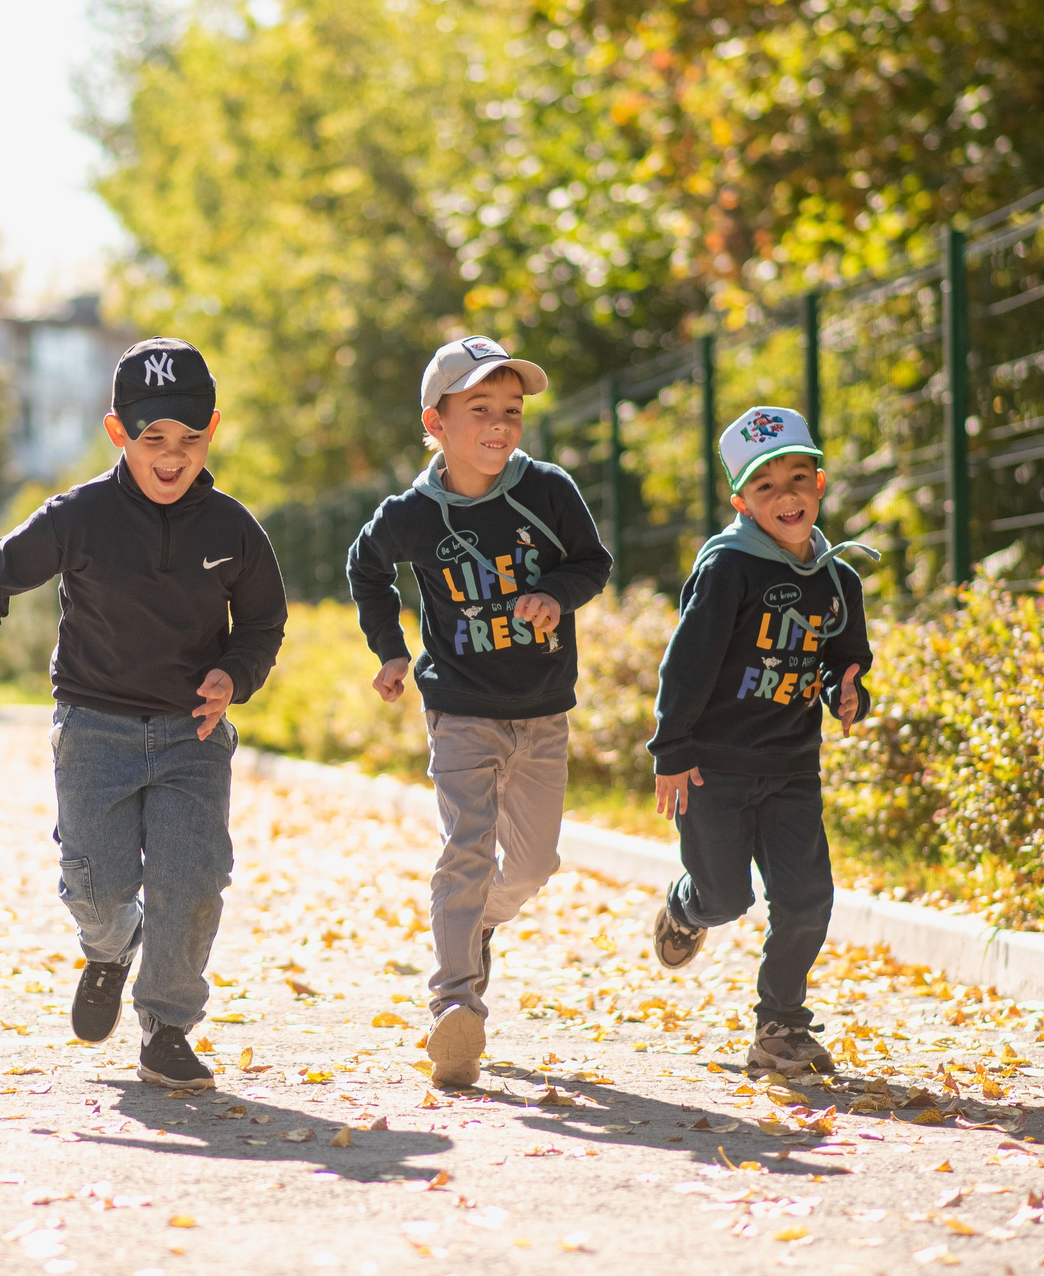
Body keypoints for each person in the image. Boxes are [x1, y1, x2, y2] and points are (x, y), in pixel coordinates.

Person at [0, 339, 286, 1093]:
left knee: (193, 882)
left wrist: (235, 673)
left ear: (212, 430)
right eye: (152, 438)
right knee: (96, 886)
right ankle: (110, 945)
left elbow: (263, 622)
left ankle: (165, 1028)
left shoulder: (231, 530)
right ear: (117, 432)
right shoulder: (80, 517)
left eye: (189, 439)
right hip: (94, 730)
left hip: (193, 734)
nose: (171, 456)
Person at [345, 336, 614, 1088]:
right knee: (466, 848)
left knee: (532, 864)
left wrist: (555, 594)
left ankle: (483, 923)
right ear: (436, 423)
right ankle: (454, 1007)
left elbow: (593, 561)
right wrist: (390, 649)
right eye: (479, 410)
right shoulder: (411, 514)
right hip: (459, 706)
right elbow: (365, 567)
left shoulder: (549, 489)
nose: (499, 424)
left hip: (542, 709)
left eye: (511, 410)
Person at [646, 405, 872, 1077]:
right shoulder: (728, 570)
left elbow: (843, 657)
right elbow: (686, 665)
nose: (787, 496)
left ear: (821, 485)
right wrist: (672, 750)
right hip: (711, 768)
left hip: (793, 768)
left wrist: (846, 690)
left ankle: (780, 1025)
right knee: (726, 899)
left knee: (807, 897)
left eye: (799, 478)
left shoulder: (838, 579)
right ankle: (686, 907)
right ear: (742, 501)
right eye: (766, 486)